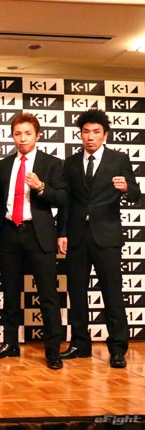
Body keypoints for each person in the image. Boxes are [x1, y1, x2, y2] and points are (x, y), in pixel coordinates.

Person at [57, 109, 140, 369]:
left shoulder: (119, 159)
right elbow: (66, 202)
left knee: (113, 294)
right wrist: (62, 233)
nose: (90, 137)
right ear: (80, 134)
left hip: (107, 237)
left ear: (105, 135)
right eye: (86, 132)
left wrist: (126, 188)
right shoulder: (70, 163)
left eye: (96, 132)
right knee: (77, 293)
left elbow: (136, 194)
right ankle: (80, 344)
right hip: (77, 237)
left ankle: (118, 349)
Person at [0, 112, 66, 370]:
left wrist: (41, 187)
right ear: (12, 136)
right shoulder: (4, 164)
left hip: (39, 234)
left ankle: (53, 350)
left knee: (48, 296)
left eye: (27, 134)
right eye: (17, 134)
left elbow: (63, 198)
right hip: (10, 232)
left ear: (38, 135)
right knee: (10, 293)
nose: (22, 139)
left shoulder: (52, 163)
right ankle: (10, 343)